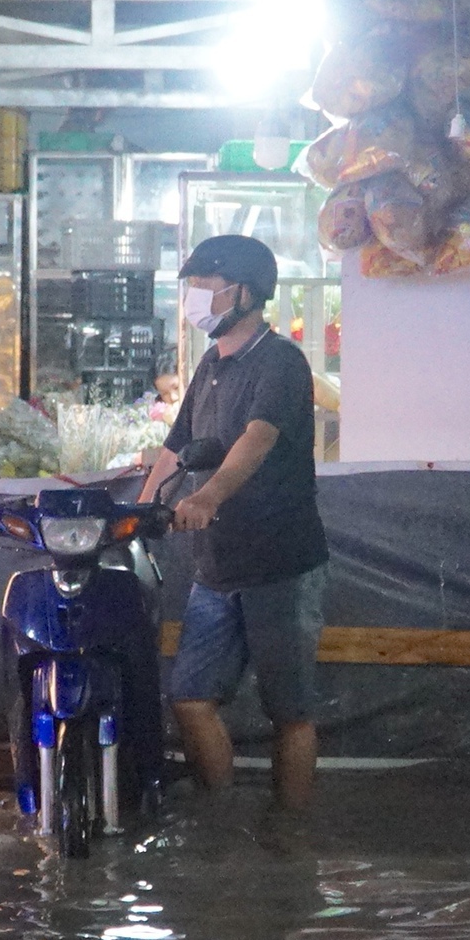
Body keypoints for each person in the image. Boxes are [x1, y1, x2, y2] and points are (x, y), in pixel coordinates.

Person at [132, 235, 331, 810]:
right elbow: (176, 447)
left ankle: (289, 836)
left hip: (281, 564)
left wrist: (208, 497)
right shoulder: (211, 365)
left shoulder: (282, 362)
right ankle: (220, 822)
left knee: (289, 713)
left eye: (205, 286)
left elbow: (256, 440)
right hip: (216, 566)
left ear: (243, 293)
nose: (196, 298)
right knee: (191, 698)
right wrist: (142, 511)